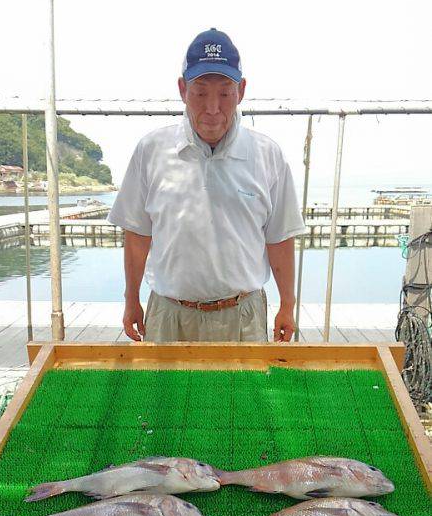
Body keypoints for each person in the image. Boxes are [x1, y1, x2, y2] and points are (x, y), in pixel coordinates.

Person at [108, 28, 306, 344]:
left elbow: (279, 236)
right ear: (182, 89)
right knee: (167, 396)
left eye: (225, 93)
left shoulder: (268, 155)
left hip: (243, 315)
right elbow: (137, 232)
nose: (212, 108)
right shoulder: (151, 150)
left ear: (241, 91)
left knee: (244, 396)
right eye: (200, 93)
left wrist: (287, 304)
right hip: (169, 315)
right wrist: (132, 298)